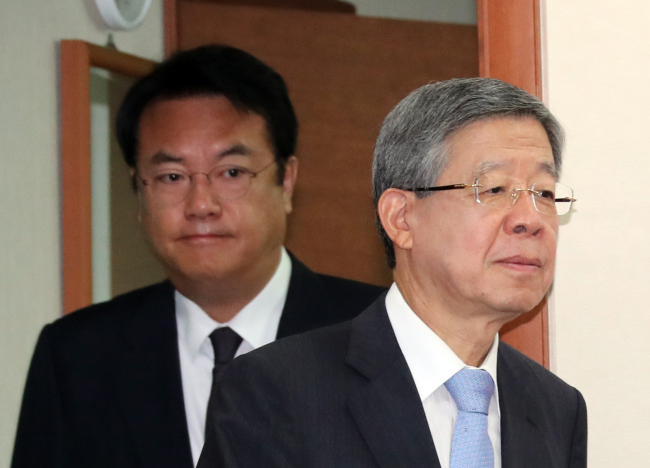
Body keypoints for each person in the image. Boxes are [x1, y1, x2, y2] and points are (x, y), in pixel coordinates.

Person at [11, 45, 384, 468]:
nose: (201, 204)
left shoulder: (386, 332)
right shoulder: (76, 358)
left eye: (231, 173)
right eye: (172, 176)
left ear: (287, 181)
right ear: (138, 189)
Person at [198, 78, 587, 468]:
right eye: (494, 189)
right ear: (401, 218)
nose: (529, 220)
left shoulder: (557, 409)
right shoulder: (274, 391)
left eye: (545, 193)